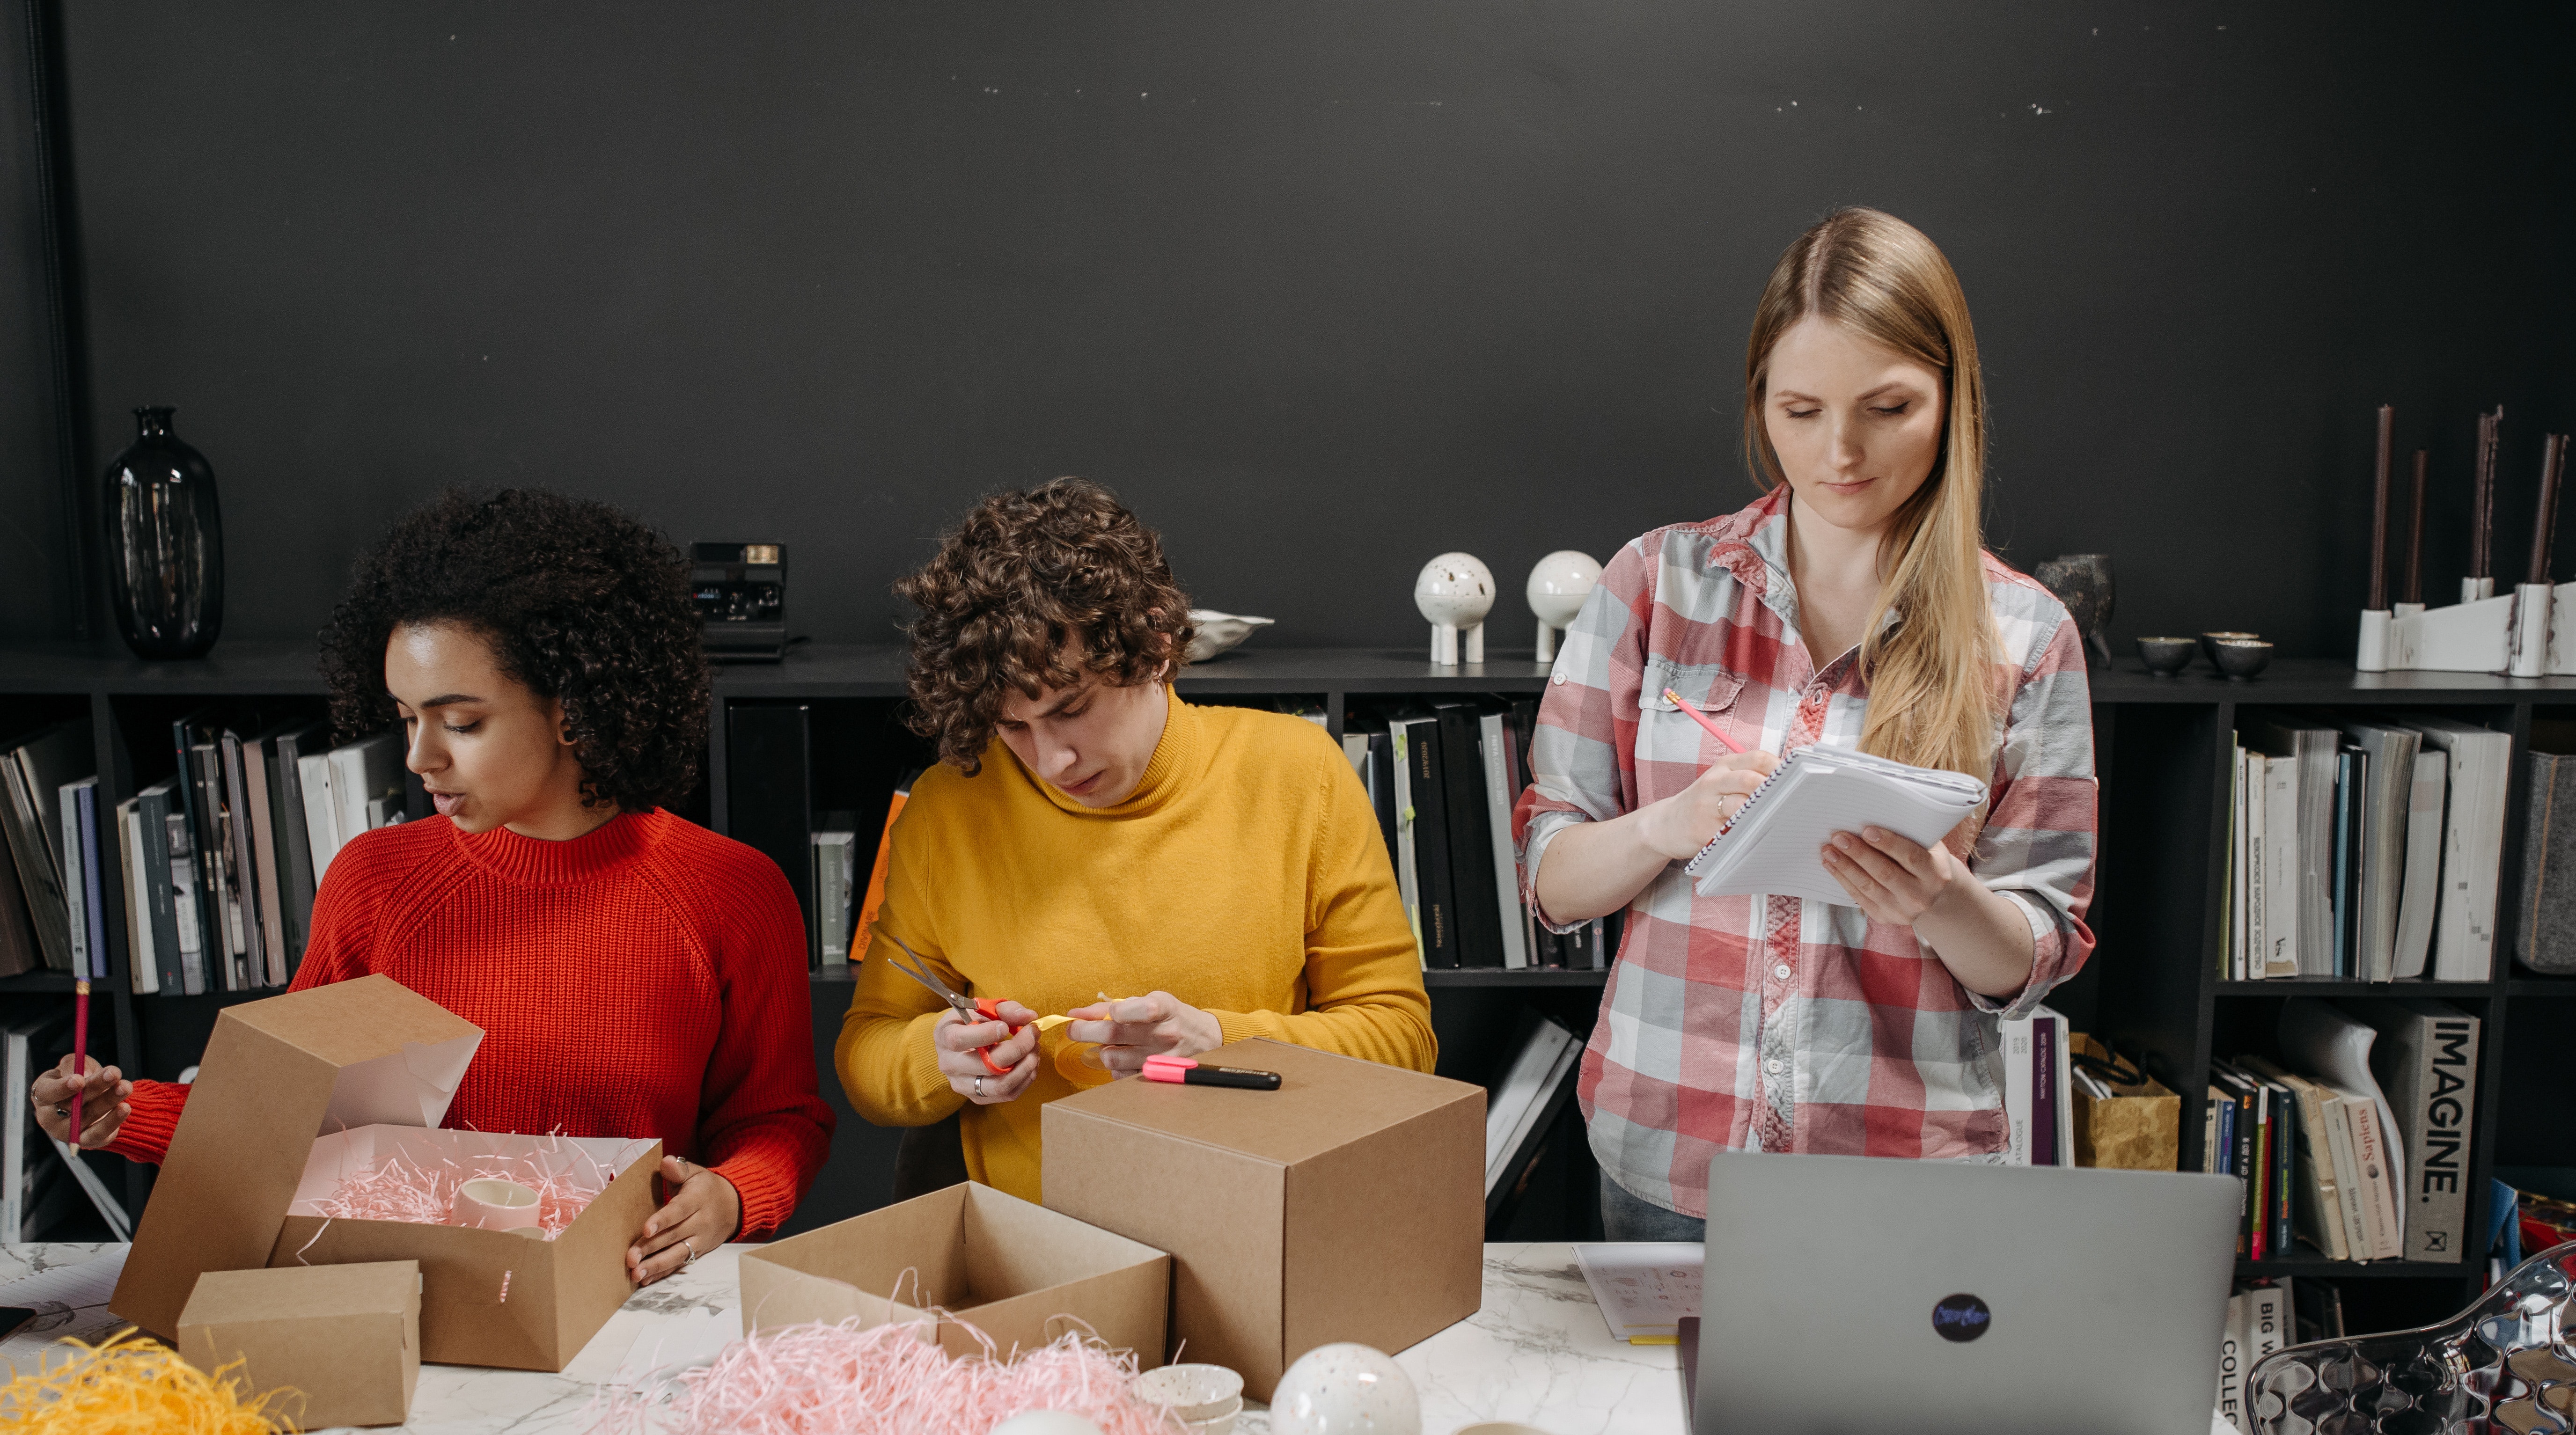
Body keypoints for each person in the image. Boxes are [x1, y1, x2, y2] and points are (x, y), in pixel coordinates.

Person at [31, 488, 834, 1283]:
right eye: (407, 717)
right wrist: (125, 1111)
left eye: (461, 722)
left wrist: (732, 1195)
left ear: (572, 707)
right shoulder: (374, 882)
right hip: (417, 1301)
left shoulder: (731, 892)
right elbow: (283, 1115)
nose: (419, 758)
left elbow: (779, 1120)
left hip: (628, 1295)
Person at [1517, 207, 2097, 1243]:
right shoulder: (1652, 585)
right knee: (1661, 1415)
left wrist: (1943, 898)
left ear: (1952, 400)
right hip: (1666, 1153)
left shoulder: (2025, 633)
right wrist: (1668, 825)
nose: (1840, 451)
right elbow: (1551, 877)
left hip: (1903, 1178)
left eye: (1887, 407)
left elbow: (2035, 951)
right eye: (1800, 409)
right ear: (1759, 404)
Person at [837, 477, 1435, 1201]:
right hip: (1031, 1242)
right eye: (1013, 726)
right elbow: (868, 1051)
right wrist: (940, 1061)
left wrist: (1219, 1041)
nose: (1052, 760)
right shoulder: (947, 809)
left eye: (1072, 709)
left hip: (1255, 1227)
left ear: (1152, 643)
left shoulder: (1298, 776)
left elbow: (1403, 1044)